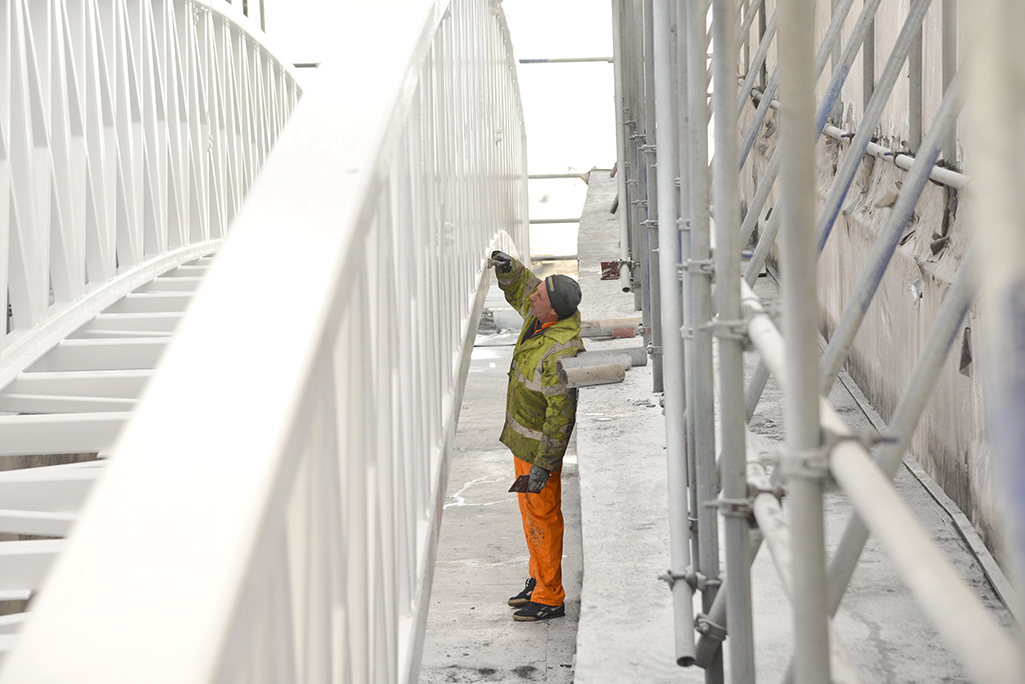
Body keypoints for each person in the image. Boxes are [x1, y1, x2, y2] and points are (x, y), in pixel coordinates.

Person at [489, 250, 583, 622]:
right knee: (531, 514)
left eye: (539, 297)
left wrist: (544, 465)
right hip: (523, 445)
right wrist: (510, 270)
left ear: (553, 311)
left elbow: (561, 418)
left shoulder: (559, 352)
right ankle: (538, 578)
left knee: (543, 517)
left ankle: (550, 597)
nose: (532, 297)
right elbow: (525, 288)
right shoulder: (541, 318)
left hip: (538, 451)